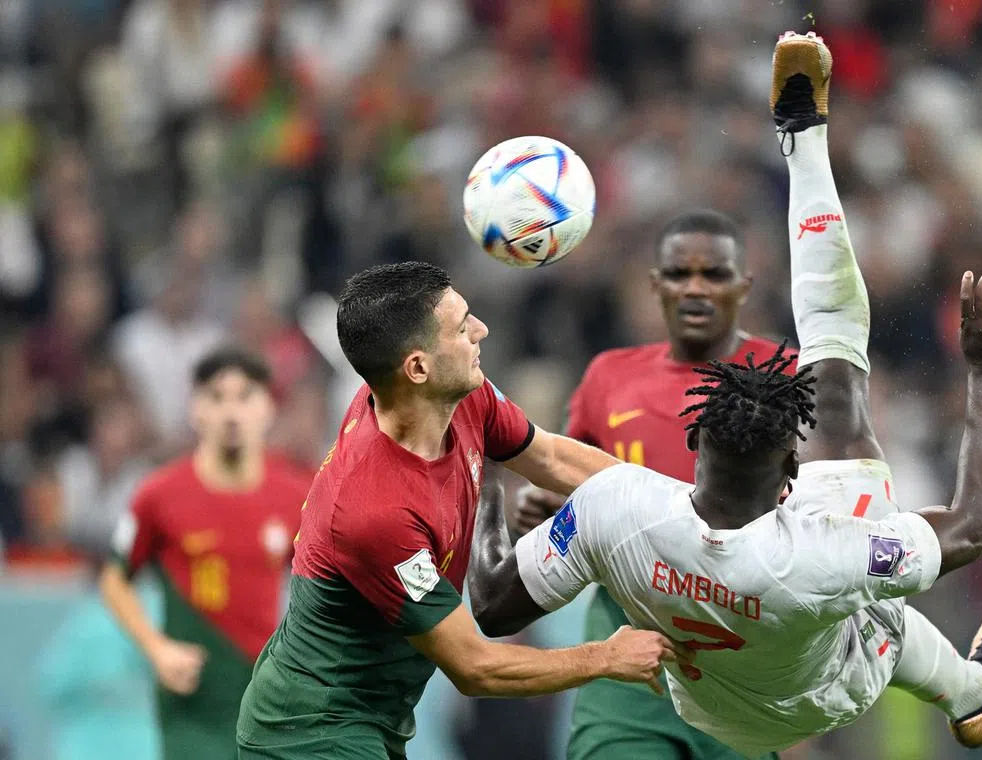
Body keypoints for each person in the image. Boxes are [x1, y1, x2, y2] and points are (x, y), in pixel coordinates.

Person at [468, 31, 982, 758]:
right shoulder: (824, 553)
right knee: (855, 456)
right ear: (790, 479)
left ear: (694, 441)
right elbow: (973, 527)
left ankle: (973, 695)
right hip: (813, 701)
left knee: (843, 452)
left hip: (697, 697)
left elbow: (490, 605)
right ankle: (972, 693)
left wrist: (486, 485)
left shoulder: (616, 508)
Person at [236, 262, 682, 760]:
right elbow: (474, 667)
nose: (481, 331)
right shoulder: (374, 511)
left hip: (371, 720)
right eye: (462, 325)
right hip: (309, 731)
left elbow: (553, 458)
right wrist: (606, 656)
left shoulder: (458, 397)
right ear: (418, 368)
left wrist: (678, 507)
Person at [512, 208, 784, 760]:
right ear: (655, 284)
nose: (696, 289)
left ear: (745, 286)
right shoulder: (608, 377)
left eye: (714, 274)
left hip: (738, 653)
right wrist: (544, 512)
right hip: (628, 646)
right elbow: (572, 489)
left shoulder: (780, 374)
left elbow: (806, 503)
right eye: (680, 274)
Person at [100, 347, 312, 760]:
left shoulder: (295, 497)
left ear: (268, 409)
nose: (231, 412)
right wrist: (156, 648)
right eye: (217, 397)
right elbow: (114, 579)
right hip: (190, 706)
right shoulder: (159, 495)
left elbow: (324, 584)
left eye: (245, 396)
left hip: (264, 700)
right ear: (196, 410)